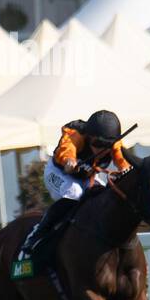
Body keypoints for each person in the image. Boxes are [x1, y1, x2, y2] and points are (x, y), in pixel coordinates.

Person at [18, 109, 130, 264]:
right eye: (98, 144)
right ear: (89, 137)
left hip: (86, 177)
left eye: (107, 145)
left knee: (104, 196)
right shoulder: (75, 133)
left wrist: (127, 170)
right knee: (75, 193)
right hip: (58, 173)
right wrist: (69, 160)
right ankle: (37, 234)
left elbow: (123, 163)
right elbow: (67, 149)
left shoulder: (115, 143)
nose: (102, 149)